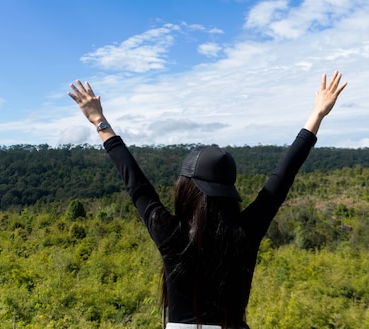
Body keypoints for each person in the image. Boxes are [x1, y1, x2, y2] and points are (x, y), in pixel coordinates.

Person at [68, 71, 347, 329]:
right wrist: (317, 114)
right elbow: (282, 177)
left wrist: (99, 121)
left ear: (185, 191)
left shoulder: (171, 234)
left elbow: (137, 185)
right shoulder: (244, 233)